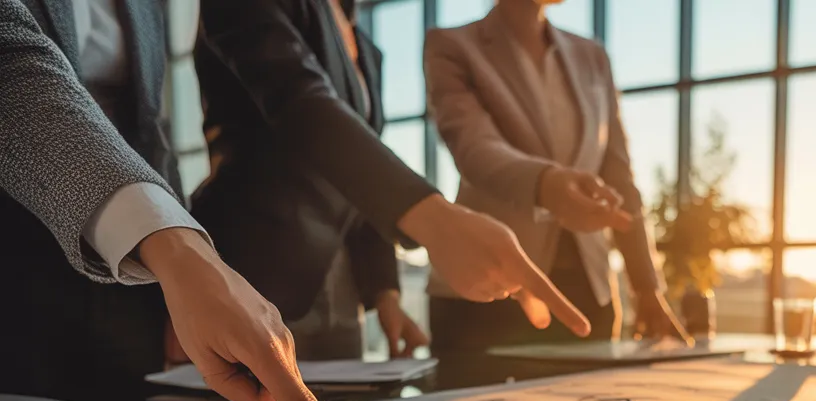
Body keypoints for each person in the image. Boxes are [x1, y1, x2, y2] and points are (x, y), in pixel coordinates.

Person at [0, 0, 370, 401]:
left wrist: (172, 280)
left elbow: (151, 132)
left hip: (131, 278)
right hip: (16, 286)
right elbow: (10, 68)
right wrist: (180, 253)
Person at [193, 0, 594, 362]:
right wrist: (439, 223)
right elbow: (302, 104)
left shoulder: (364, 44)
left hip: (342, 285)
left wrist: (385, 292)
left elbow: (359, 164)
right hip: (252, 274)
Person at [423, 0, 688, 354]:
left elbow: (619, 174)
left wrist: (646, 286)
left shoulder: (592, 56)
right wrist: (547, 185)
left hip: (587, 293)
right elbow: (474, 147)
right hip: (488, 292)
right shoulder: (452, 45)